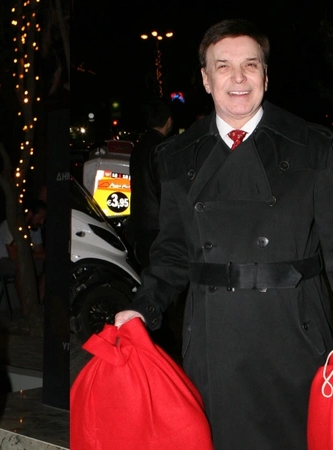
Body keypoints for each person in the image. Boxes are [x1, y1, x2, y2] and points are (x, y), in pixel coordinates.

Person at [114, 19, 333, 449]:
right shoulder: (177, 156)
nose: (238, 78)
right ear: (205, 79)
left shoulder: (314, 147)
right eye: (223, 66)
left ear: (265, 75)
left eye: (250, 65)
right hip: (215, 342)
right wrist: (143, 307)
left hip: (298, 334)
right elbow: (172, 253)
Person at [128, 99, 173, 270]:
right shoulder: (162, 148)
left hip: (140, 221)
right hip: (159, 224)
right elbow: (165, 188)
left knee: (148, 273)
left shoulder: (138, 147)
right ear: (169, 121)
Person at [0, 199, 46, 309]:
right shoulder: (11, 225)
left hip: (20, 260)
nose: (42, 222)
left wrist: (32, 256)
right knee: (22, 266)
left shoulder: (35, 229)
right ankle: (26, 310)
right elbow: (14, 256)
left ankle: (38, 305)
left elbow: (40, 253)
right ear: (30, 214)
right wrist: (33, 256)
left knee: (48, 266)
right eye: (40, 218)